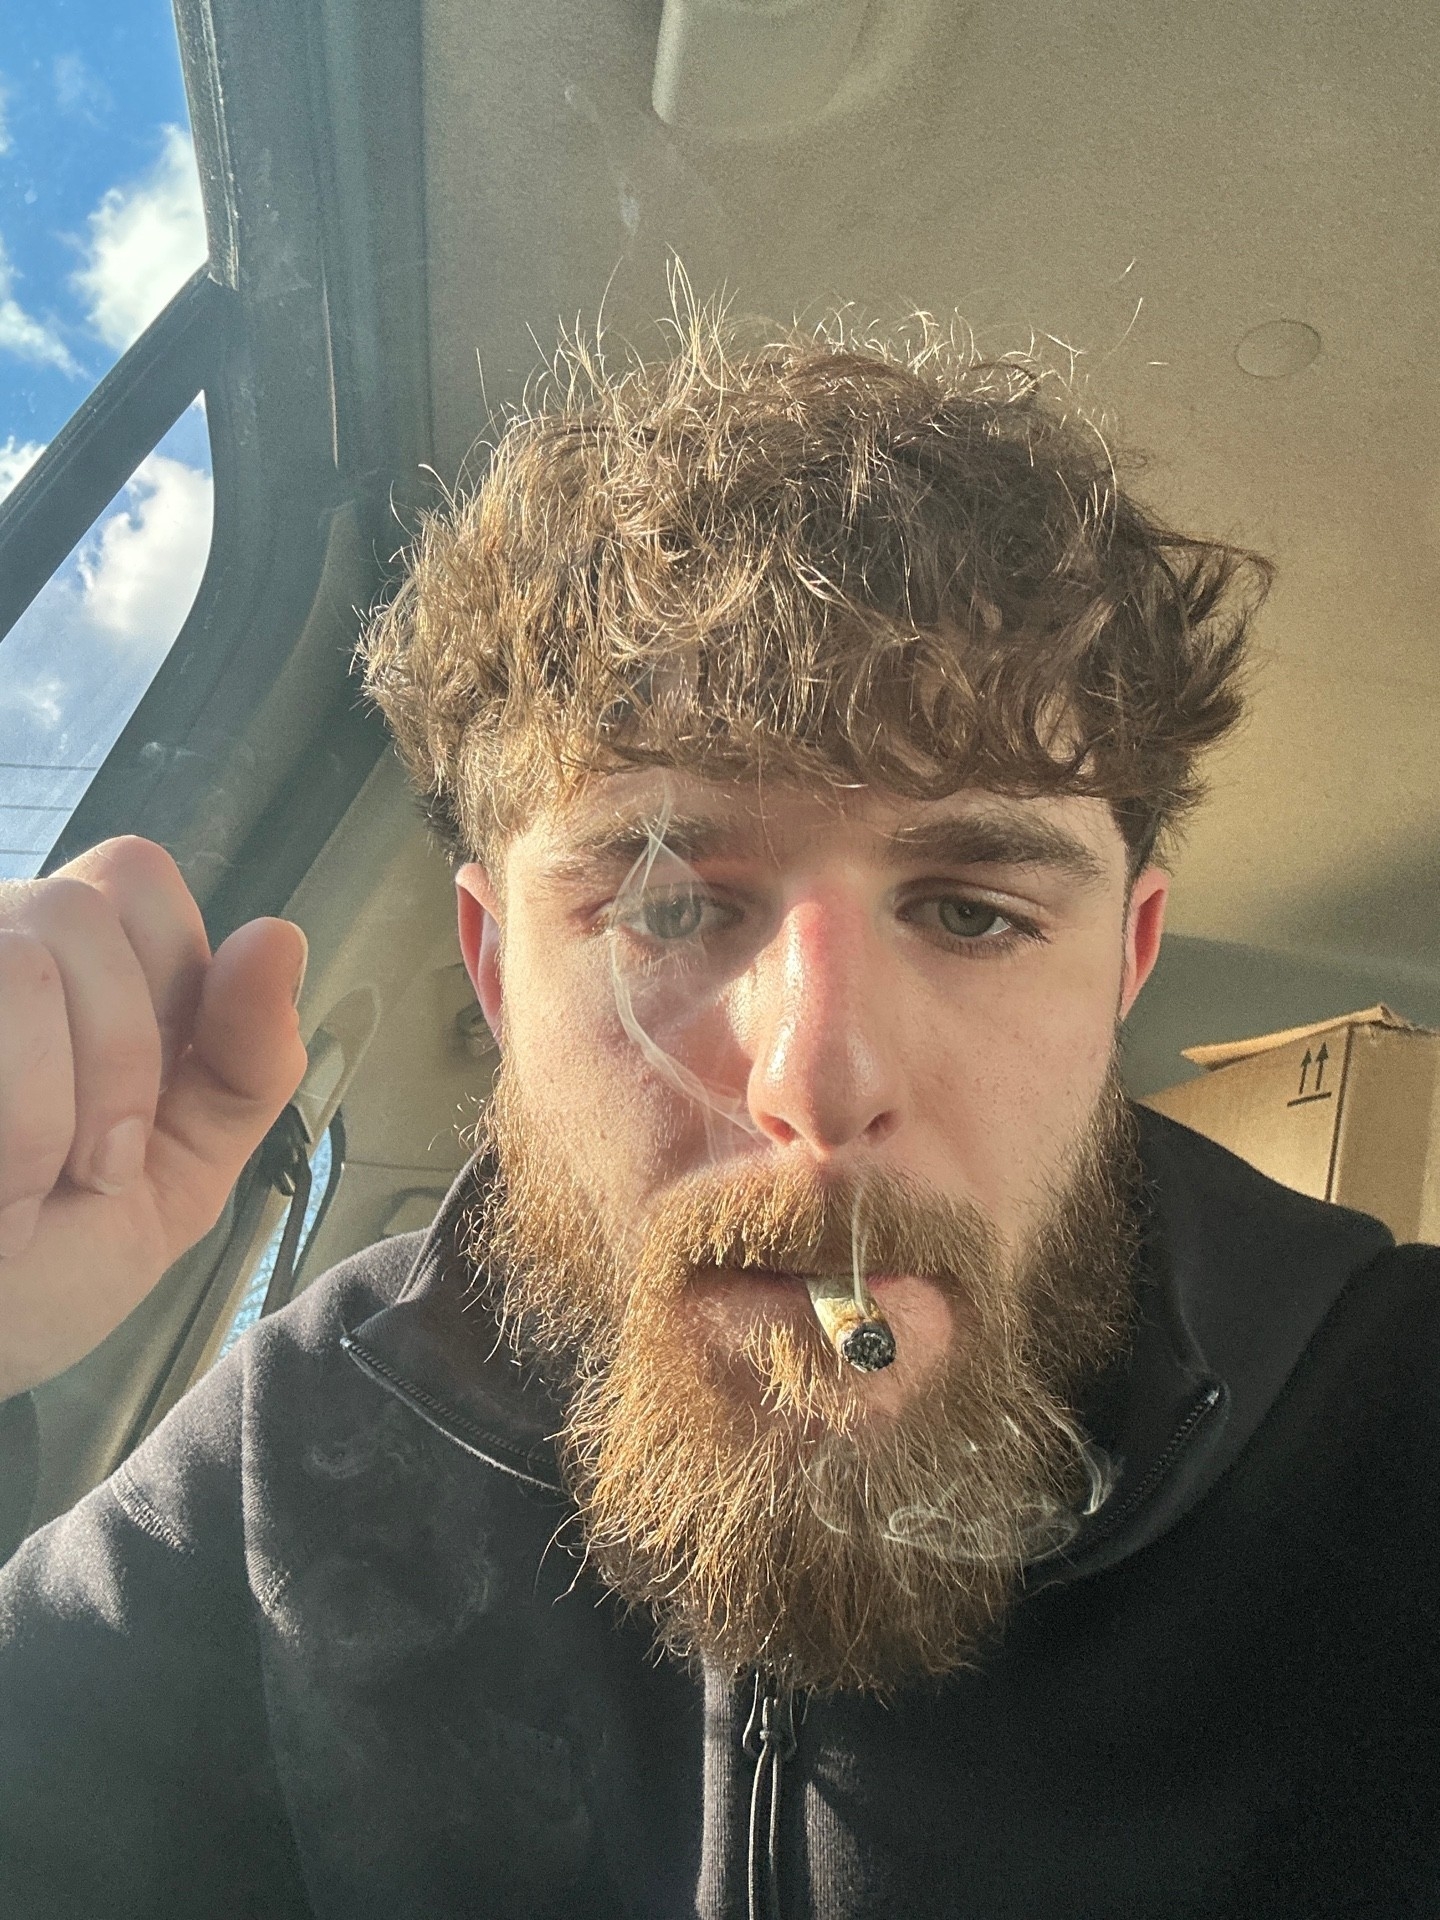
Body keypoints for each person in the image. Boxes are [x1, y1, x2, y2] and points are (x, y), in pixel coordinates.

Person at [1, 315, 1436, 1920]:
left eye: (972, 913)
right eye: (671, 908)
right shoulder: (314, 1431)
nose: (816, 1086)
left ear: (1125, 963)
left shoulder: (1395, 1427)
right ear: (496, 966)